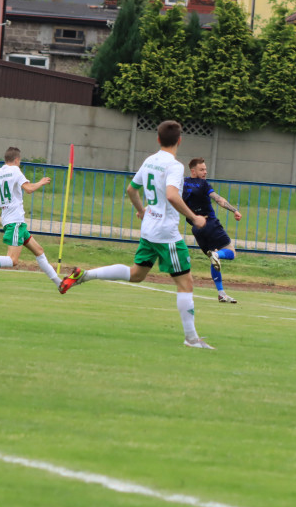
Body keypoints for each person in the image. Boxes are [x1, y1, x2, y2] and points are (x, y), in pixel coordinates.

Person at [58, 120, 215, 349]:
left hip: (150, 230)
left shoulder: (150, 161)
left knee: (137, 274)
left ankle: (86, 275)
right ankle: (191, 338)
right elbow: (172, 195)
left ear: (158, 139)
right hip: (166, 234)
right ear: (179, 140)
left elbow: (131, 189)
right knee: (185, 283)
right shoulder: (174, 166)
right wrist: (195, 218)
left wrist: (142, 210)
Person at [0, 146, 62, 290]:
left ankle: (60, 284)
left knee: (39, 250)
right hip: (15, 221)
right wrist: (41, 182)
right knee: (13, 260)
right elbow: (28, 189)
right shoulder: (15, 170)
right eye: (20, 161)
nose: (19, 163)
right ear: (16, 160)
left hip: (12, 221)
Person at [182, 157, 241, 303]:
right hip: (210, 224)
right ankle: (217, 255)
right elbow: (218, 199)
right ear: (193, 171)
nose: (205, 172)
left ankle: (221, 293)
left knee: (214, 259)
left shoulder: (182, 183)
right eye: (202, 169)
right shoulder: (203, 184)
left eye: (205, 169)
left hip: (196, 228)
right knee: (230, 253)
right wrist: (234, 210)